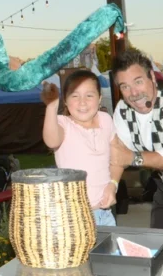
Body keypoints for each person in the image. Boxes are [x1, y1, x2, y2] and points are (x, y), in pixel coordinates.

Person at [41, 70, 123, 226]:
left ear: (100, 99)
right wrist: (51, 106)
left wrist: (113, 184)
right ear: (65, 100)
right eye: (75, 96)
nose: (82, 102)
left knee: (108, 250)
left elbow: (118, 158)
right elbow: (52, 141)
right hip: (73, 218)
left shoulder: (106, 120)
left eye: (89, 95)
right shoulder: (63, 124)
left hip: (105, 214)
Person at [111, 49, 163, 229]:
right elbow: (117, 153)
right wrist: (111, 187)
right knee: (159, 245)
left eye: (138, 81)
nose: (133, 93)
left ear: (151, 76)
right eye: (124, 86)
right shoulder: (122, 109)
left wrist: (132, 157)